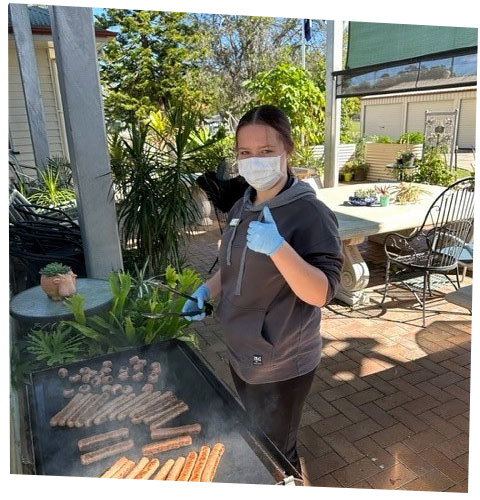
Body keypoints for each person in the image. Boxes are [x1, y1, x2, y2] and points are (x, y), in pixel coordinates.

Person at [183, 104, 344, 474]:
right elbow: (232, 265)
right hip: (243, 352)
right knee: (258, 437)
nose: (254, 161)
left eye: (266, 152)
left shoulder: (310, 213)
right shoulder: (245, 201)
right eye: (245, 153)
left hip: (283, 361)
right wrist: (206, 291)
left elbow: (322, 292)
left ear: (288, 150)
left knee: (277, 453)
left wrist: (279, 248)